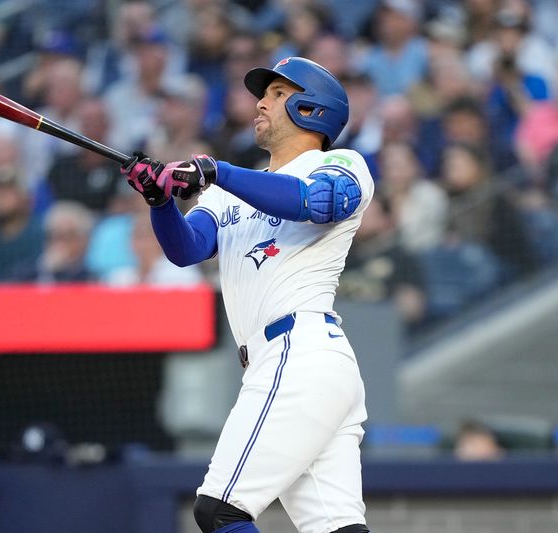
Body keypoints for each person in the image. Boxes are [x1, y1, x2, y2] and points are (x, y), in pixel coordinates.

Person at [120, 56, 372, 533]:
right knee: (337, 527)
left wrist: (218, 171)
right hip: (293, 365)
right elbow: (187, 248)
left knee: (219, 509)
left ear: (313, 109)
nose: (260, 102)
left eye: (278, 94)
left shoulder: (339, 163)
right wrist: (160, 202)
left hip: (300, 351)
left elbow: (315, 202)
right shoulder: (229, 192)